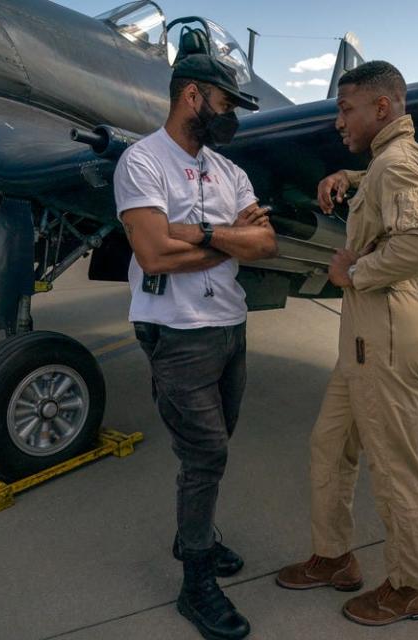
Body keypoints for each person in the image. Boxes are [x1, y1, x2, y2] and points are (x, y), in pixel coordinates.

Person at [113, 54, 278, 640]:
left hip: (229, 325)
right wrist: (230, 244)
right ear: (192, 97)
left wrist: (203, 234)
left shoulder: (229, 171)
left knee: (215, 445)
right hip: (177, 333)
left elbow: (266, 243)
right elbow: (153, 254)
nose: (230, 115)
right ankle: (196, 581)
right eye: (226, 103)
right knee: (206, 454)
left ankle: (196, 533)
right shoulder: (141, 163)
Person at [276, 61, 418, 627]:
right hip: (366, 338)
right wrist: (349, 178)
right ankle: (334, 557)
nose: (337, 121)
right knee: (330, 445)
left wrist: (356, 272)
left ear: (382, 108)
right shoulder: (383, 164)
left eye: (345, 109)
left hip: (387, 334)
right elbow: (384, 197)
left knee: (395, 469)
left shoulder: (395, 164)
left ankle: (408, 586)